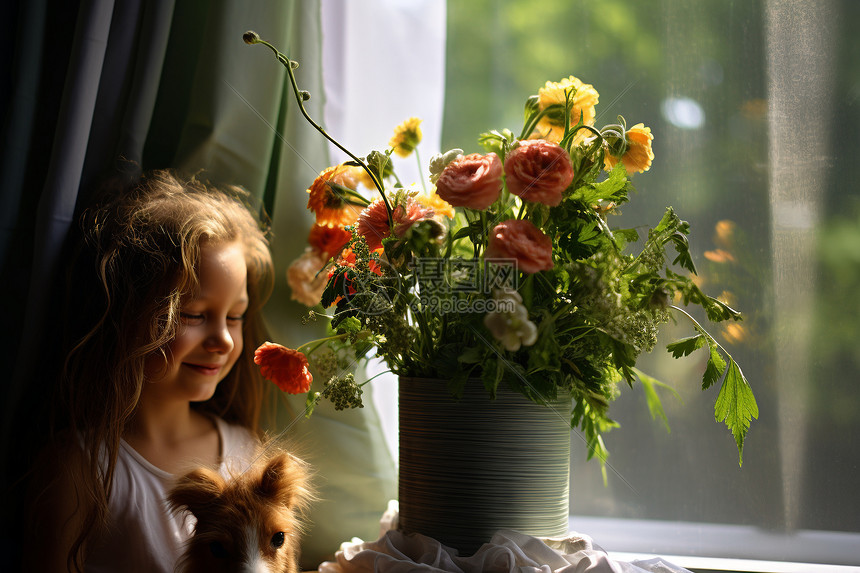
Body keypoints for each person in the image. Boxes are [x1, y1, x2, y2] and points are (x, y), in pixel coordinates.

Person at [21, 169, 276, 572]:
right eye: (193, 315)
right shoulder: (81, 469)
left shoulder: (249, 453)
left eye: (235, 316)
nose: (224, 341)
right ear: (126, 315)